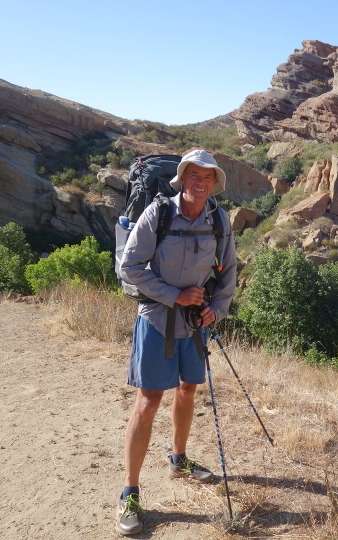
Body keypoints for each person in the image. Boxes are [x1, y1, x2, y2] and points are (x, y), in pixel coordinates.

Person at [115, 149, 237, 536]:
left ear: (215, 182)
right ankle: (130, 492)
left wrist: (215, 310)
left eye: (208, 176)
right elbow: (129, 267)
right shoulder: (159, 213)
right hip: (156, 319)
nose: (200, 182)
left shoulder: (219, 219)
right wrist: (173, 295)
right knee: (148, 401)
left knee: (187, 389)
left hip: (195, 323)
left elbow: (229, 269)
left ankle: (178, 460)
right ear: (182, 178)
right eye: (193, 175)